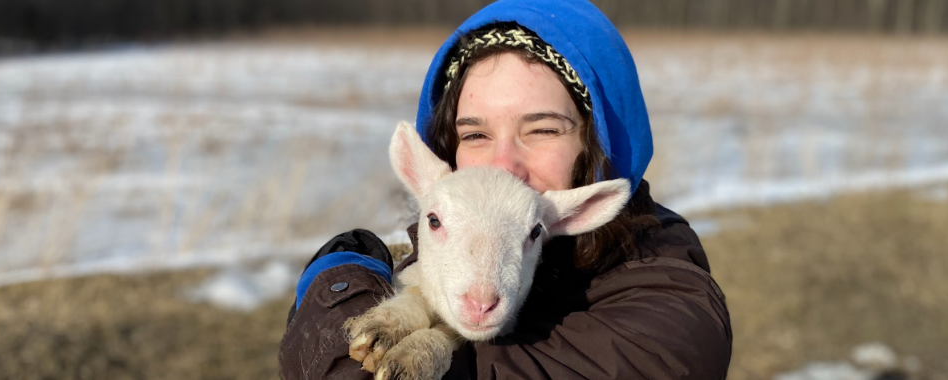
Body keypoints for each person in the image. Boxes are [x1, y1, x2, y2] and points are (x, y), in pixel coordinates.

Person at [280, 0, 732, 378]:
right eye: (475, 135)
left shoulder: (667, 314)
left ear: (599, 145)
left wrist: (335, 289)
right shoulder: (452, 245)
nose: (503, 166)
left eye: (543, 130)